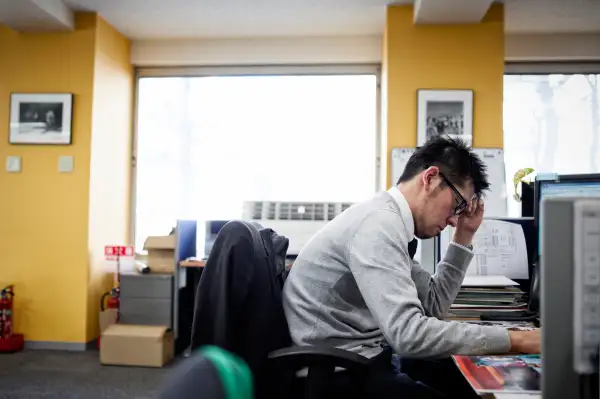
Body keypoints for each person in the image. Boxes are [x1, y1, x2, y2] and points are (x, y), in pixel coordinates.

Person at [282, 137, 540, 398]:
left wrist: (464, 236)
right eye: (457, 205)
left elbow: (433, 306)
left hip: (364, 359)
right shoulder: (378, 225)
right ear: (430, 178)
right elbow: (408, 335)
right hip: (339, 375)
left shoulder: (391, 222)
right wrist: (516, 339)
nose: (453, 219)